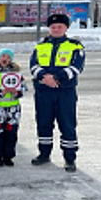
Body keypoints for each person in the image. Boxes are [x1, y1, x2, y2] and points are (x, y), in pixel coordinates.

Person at [30, 14, 85, 172]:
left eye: (60, 27)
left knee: (67, 125)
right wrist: (44, 77)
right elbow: (33, 65)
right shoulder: (40, 46)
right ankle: (44, 154)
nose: (56, 29)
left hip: (64, 92)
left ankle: (69, 159)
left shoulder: (75, 46)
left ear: (66, 28)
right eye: (53, 27)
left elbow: (76, 67)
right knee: (43, 124)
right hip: (43, 92)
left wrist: (56, 78)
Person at [0, 49, 27, 167]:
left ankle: (8, 156)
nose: (5, 59)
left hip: (13, 109)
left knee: (11, 132)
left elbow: (24, 89)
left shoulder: (16, 74)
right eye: (3, 56)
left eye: (8, 57)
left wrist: (16, 92)